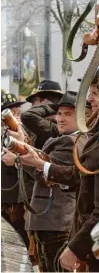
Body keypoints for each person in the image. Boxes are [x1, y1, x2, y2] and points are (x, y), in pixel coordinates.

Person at [18, 66, 99, 272]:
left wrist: (77, 248)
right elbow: (80, 176)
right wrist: (41, 165)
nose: (89, 100)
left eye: (95, 93)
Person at [2, 91, 79, 272]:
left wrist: (19, 160)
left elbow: (46, 176)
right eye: (59, 113)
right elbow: (42, 164)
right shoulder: (62, 139)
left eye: (68, 114)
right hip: (49, 220)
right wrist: (22, 147)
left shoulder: (70, 141)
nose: (60, 118)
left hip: (56, 221)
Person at [1, 92, 29, 248]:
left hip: (18, 199)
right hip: (4, 198)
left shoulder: (23, 131)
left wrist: (16, 158)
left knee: (21, 241)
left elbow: (35, 159)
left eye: (14, 109)